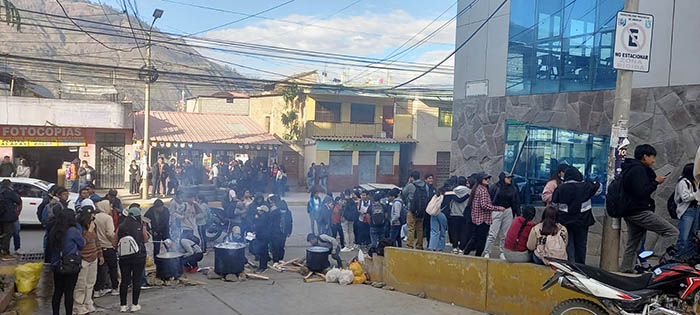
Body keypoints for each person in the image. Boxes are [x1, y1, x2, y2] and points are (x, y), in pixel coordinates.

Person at [620, 144, 679, 273]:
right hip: (639, 211)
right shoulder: (638, 170)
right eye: (652, 157)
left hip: (631, 210)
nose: (654, 161)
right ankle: (663, 262)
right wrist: (656, 182)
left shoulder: (631, 168)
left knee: (633, 243)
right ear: (645, 157)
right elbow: (641, 191)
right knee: (672, 232)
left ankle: (625, 270)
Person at [552, 167, 602, 264]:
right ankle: (580, 266)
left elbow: (554, 204)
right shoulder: (586, 186)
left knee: (568, 244)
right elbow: (599, 188)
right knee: (581, 244)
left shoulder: (560, 188)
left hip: (565, 221)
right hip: (583, 221)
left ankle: (570, 264)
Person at [49, 208, 85, 315]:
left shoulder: (54, 230)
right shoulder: (73, 231)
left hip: (57, 265)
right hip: (71, 265)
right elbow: (82, 244)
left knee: (57, 292)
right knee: (69, 292)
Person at [117, 204, 148, 313]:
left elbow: (114, 241)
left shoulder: (121, 226)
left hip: (124, 258)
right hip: (138, 257)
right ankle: (134, 304)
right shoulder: (139, 225)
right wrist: (144, 228)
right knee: (136, 280)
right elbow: (145, 239)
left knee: (124, 281)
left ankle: (123, 305)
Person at [464, 173, 505, 257]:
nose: (488, 180)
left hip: (477, 218)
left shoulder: (477, 189)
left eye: (488, 179)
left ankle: (466, 253)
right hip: (483, 219)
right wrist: (498, 208)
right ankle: (477, 255)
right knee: (481, 239)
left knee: (475, 237)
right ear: (481, 180)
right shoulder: (483, 190)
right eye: (486, 179)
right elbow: (484, 205)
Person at [483, 173, 521, 259]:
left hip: (508, 211)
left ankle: (502, 252)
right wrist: (494, 208)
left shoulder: (513, 188)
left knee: (505, 234)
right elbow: (489, 199)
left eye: (510, 178)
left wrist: (518, 214)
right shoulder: (495, 187)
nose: (510, 179)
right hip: (496, 210)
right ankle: (487, 252)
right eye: (508, 178)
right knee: (493, 233)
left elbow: (516, 201)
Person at [73, 207, 103, 315]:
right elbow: (82, 243)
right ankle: (78, 306)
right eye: (92, 215)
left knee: (90, 283)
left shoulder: (93, 225)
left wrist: (100, 255)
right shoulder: (79, 228)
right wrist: (89, 231)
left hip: (93, 257)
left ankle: (88, 302)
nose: (94, 217)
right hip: (83, 259)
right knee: (81, 284)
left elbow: (96, 241)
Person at [94, 200, 118, 298]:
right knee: (113, 269)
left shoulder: (95, 217)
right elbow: (110, 233)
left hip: (98, 247)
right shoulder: (108, 218)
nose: (111, 208)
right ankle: (115, 288)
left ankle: (97, 289)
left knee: (100, 270)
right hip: (108, 246)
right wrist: (114, 241)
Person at [674, 163, 699, 258]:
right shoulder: (683, 182)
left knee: (691, 237)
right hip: (687, 211)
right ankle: (679, 257)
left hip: (695, 210)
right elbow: (685, 197)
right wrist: (697, 194)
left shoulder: (694, 182)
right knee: (684, 237)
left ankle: (688, 258)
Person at [402, 171, 429, 250]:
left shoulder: (411, 185)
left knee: (411, 228)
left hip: (412, 210)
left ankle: (410, 245)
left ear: (411, 177)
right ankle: (419, 245)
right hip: (421, 211)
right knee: (420, 229)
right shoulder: (425, 186)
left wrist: (408, 182)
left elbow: (404, 193)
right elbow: (427, 196)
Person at [446, 176, 470, 254]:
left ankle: (454, 247)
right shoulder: (469, 191)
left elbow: (454, 201)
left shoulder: (454, 191)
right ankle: (461, 248)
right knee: (464, 232)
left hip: (454, 214)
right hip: (464, 214)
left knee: (454, 231)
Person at [0, 179, 20, 260]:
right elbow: (18, 200)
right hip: (8, 217)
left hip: (1, 216)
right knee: (8, 234)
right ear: (9, 185)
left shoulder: (1, 191)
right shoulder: (9, 192)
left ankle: (2, 251)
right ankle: (5, 253)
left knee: (2, 234)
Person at [269, 195, 292, 263]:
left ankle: (280, 259)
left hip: (284, 232)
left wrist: (289, 231)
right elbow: (271, 223)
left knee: (281, 246)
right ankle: (275, 260)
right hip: (276, 232)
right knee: (275, 246)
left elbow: (290, 222)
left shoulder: (288, 213)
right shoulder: (275, 212)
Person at [428, 186, 450, 252]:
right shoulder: (448, 196)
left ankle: (432, 246)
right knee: (442, 231)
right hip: (443, 214)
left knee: (434, 231)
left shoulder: (436, 196)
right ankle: (440, 247)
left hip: (434, 213)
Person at [253, 205, 272, 272]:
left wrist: (257, 219)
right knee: (264, 252)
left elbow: (260, 226)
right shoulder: (265, 217)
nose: (258, 212)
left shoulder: (263, 218)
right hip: (263, 236)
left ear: (263, 211)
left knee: (262, 252)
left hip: (263, 237)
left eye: (260, 210)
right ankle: (263, 266)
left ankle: (262, 266)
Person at [423, 174, 436, 246]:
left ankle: (429, 243)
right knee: (422, 228)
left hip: (431, 211)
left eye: (432, 178)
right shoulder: (423, 188)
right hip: (423, 211)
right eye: (429, 178)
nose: (431, 180)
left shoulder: (434, 189)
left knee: (429, 228)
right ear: (425, 180)